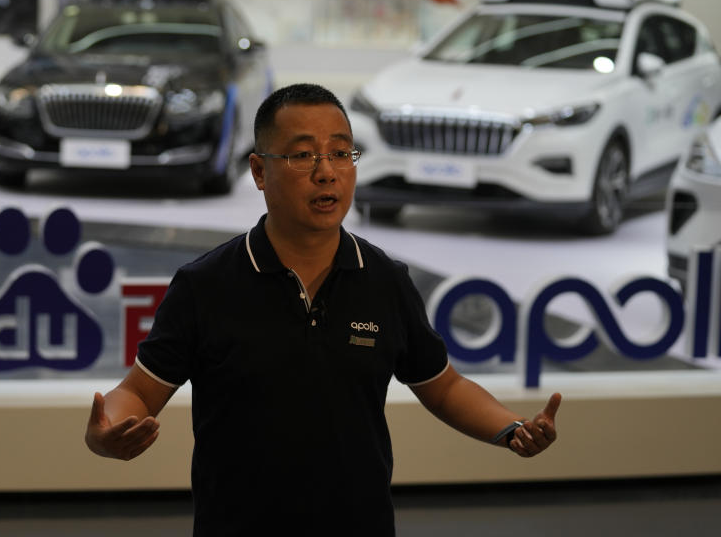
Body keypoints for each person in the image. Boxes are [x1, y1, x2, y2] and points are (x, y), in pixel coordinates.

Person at [86, 83, 562, 536]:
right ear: (258, 171)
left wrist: (511, 429)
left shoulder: (385, 280)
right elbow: (140, 392)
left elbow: (444, 387)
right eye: (301, 155)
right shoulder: (204, 285)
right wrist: (106, 432)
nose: (326, 171)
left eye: (340, 152)